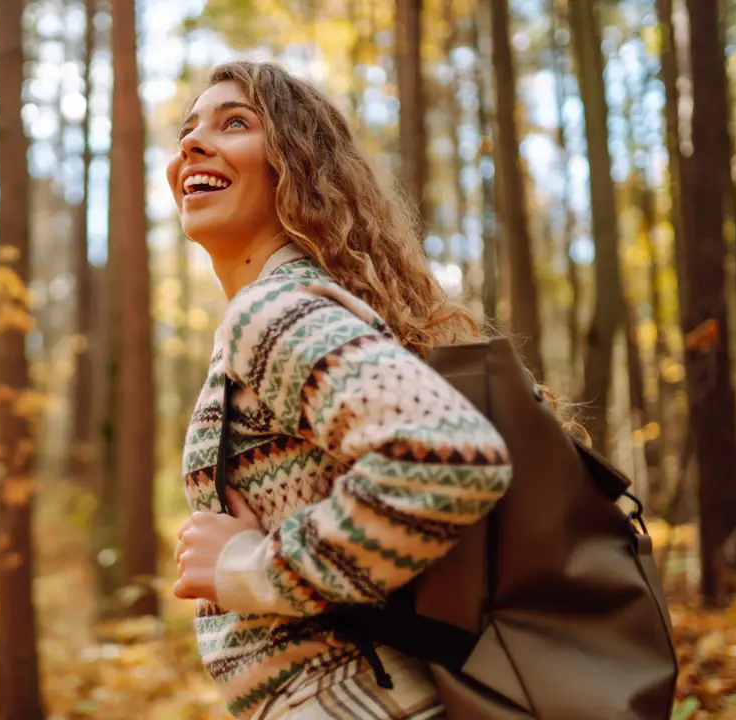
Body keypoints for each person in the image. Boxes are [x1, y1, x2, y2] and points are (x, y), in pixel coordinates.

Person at [168, 61, 515, 720]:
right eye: (188, 129)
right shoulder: (284, 308)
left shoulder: (272, 309)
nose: (192, 143)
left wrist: (249, 567)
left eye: (234, 122)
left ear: (294, 165)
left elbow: (452, 457)